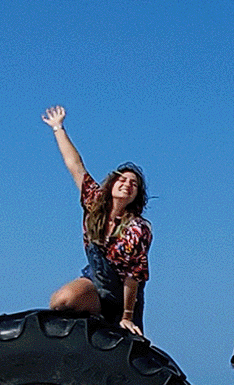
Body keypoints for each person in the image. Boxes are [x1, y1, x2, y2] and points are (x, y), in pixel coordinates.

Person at [42, 105, 152, 335]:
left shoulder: (137, 229)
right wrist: (57, 128)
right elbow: (75, 165)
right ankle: (93, 322)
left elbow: (134, 277)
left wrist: (127, 316)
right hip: (95, 281)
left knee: (128, 341)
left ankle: (113, 323)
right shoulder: (94, 203)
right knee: (61, 301)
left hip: (123, 293)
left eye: (133, 184)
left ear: (136, 195)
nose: (127, 184)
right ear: (111, 185)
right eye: (122, 180)